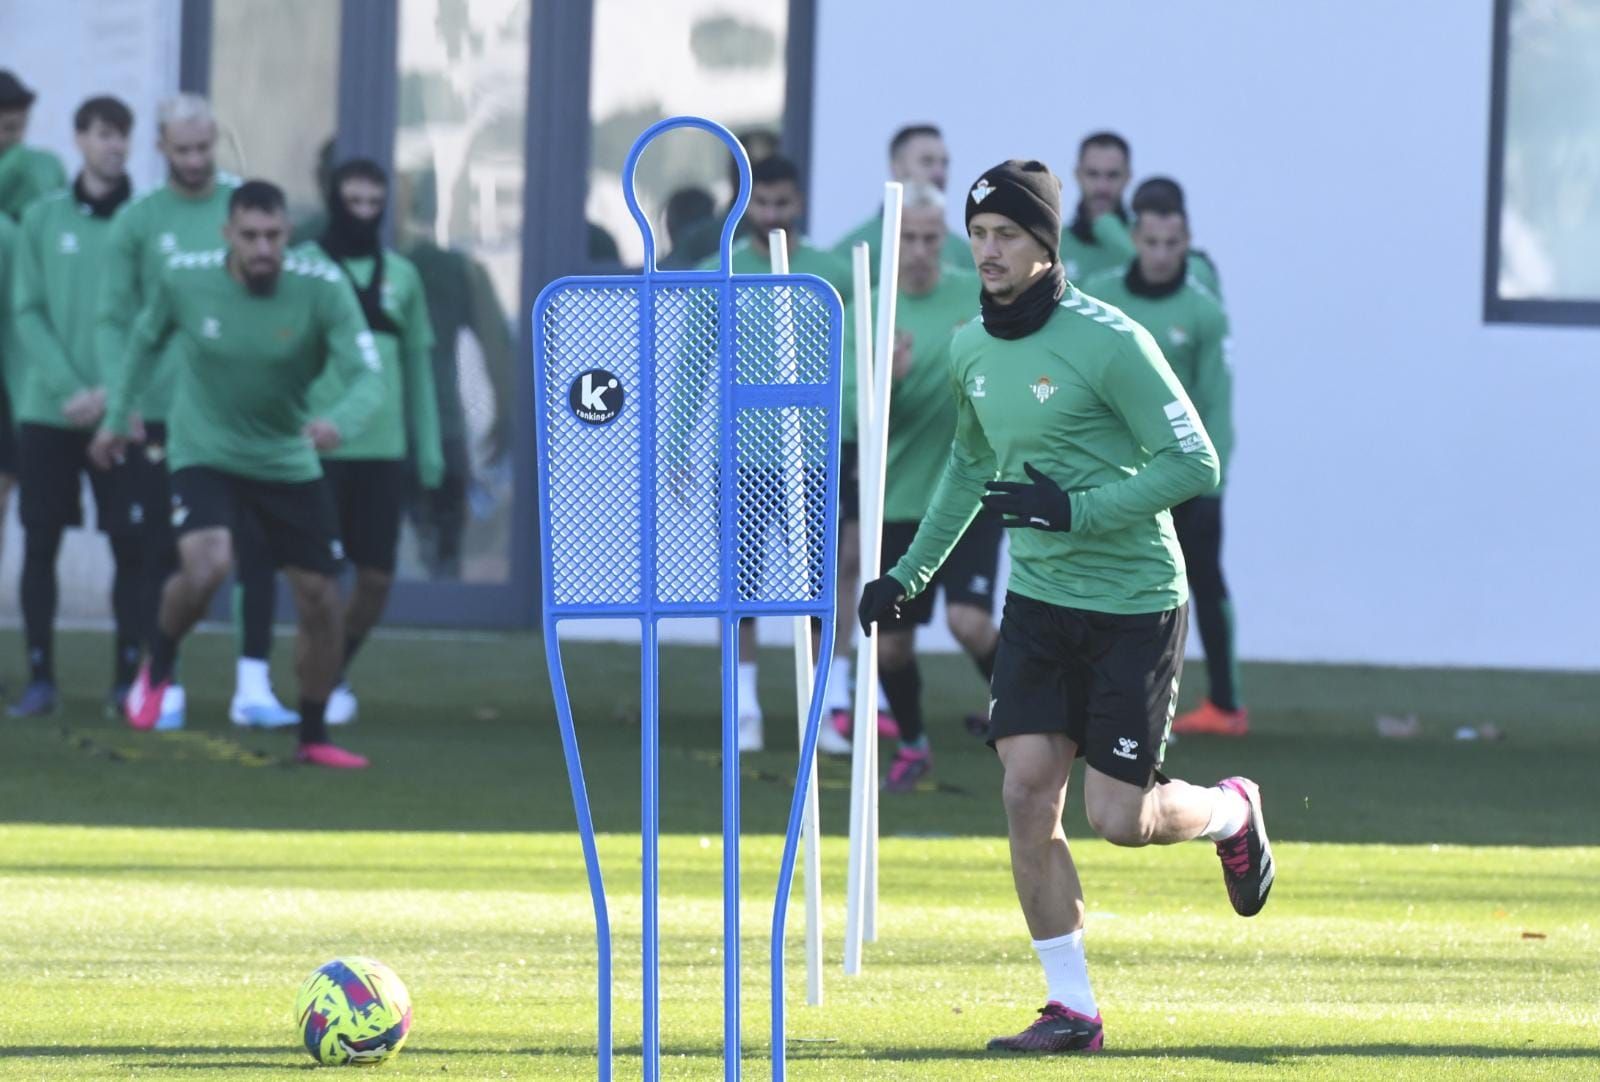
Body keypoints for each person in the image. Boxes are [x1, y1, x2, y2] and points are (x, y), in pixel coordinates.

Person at [858, 160, 1274, 1054]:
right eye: (979, 235)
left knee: (1119, 819)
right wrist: (910, 576)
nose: (988, 250)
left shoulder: (1111, 339)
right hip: (1040, 604)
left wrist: (1077, 509)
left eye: (1006, 234)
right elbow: (967, 469)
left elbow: (1193, 463)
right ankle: (1072, 1009)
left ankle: (1234, 812)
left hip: (1133, 604)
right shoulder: (969, 345)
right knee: (1023, 794)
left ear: (1047, 244)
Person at [90, 180, 382, 768]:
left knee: (321, 598)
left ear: (288, 235)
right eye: (249, 236)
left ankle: (315, 735)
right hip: (205, 450)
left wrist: (338, 423)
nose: (262, 248)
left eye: (273, 236)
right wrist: (118, 417)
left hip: (286, 457)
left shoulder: (322, 289)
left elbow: (368, 376)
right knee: (207, 566)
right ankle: (162, 662)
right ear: (228, 235)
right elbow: (142, 342)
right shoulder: (185, 277)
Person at [93, 94, 295, 728]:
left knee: (257, 549)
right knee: (166, 551)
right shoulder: (139, 221)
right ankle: (163, 679)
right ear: (161, 148)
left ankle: (254, 686)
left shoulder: (244, 209)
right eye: (182, 149)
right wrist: (117, 400)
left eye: (204, 147)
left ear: (217, 141)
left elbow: (284, 298)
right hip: (162, 413)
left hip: (244, 410)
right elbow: (112, 319)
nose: (195, 160)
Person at [829, 181, 997, 789]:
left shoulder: (978, 298)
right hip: (896, 501)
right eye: (909, 237)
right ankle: (916, 745)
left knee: (969, 622)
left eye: (931, 236)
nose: (922, 249)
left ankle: (1030, 724)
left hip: (971, 494)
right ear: (890, 239)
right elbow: (845, 416)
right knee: (892, 648)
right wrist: (887, 381)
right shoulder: (866, 310)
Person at [699, 153, 850, 753]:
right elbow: (691, 366)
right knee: (740, 594)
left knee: (820, 590)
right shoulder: (720, 271)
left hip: (814, 456)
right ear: (743, 206)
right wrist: (680, 446)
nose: (771, 215)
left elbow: (857, 364)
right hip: (738, 458)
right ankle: (744, 709)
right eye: (761, 203)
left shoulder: (831, 274)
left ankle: (824, 709)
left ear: (801, 203)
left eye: (782, 203)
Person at [1083, 182, 1243, 737]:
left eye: (1171, 242)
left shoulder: (1202, 311)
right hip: (1120, 475)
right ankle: (1107, 696)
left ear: (1187, 241)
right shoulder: (1100, 298)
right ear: (1135, 239)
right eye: (1150, 241)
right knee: (1108, 581)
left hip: (1184, 477)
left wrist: (1209, 483)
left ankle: (1226, 704)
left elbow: (1216, 401)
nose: (1159, 253)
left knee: (1197, 582)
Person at [290, 158, 442, 725]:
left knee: (376, 580)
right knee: (319, 585)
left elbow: (419, 367)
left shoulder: (403, 276)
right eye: (352, 202)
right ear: (334, 201)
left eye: (373, 204)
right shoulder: (302, 268)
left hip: (382, 450)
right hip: (316, 447)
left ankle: (333, 667)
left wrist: (429, 450)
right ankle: (312, 687)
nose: (362, 213)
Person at [7, 96, 143, 716]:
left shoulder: (144, 221)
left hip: (121, 415)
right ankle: (41, 679)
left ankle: (126, 681)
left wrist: (115, 396)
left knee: (131, 546)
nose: (114, 146)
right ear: (80, 139)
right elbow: (27, 312)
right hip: (47, 411)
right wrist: (70, 391)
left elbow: (154, 319)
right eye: (104, 135)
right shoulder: (41, 218)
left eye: (123, 136)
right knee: (40, 543)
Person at [392, 166, 515, 580]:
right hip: (367, 436)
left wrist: (506, 414)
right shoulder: (453, 269)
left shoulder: (452, 270)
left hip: (436, 430)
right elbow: (499, 351)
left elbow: (499, 350)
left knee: (437, 560)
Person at [831, 123, 970, 277]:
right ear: (896, 167)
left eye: (944, 163)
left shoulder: (966, 255)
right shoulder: (852, 251)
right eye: (927, 161)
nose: (939, 173)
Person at [1082, 177, 1222, 296]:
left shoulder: (1197, 269)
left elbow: (1142, 261)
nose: (1160, 255)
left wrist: (1104, 223)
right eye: (1151, 241)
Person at [1057, 131, 1135, 284]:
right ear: (1078, 175)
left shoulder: (1153, 243)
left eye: (1112, 175)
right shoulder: (1055, 247)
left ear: (1128, 177)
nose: (1102, 187)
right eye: (1093, 174)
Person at [0, 70, 67, 222]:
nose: (16, 137)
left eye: (22, 126)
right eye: (8, 127)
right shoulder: (18, 161)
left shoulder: (47, 164)